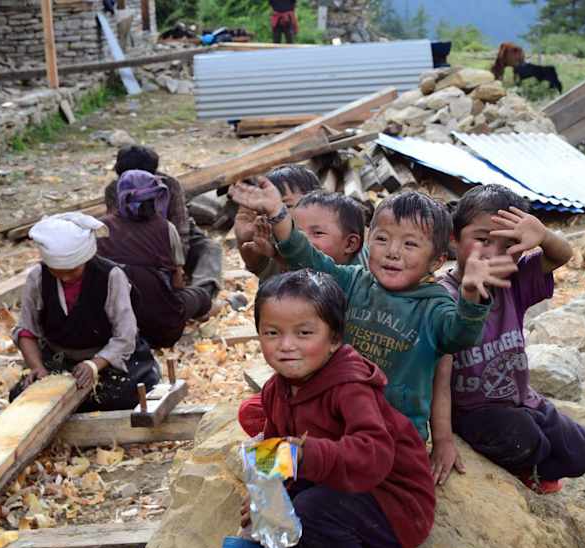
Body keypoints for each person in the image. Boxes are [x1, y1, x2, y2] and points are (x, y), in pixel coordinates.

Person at [230, 178, 517, 443]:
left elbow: (460, 336)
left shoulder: (435, 306)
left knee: (328, 471)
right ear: (369, 243)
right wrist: (280, 214)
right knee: (269, 402)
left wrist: (470, 298)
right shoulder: (352, 281)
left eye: (410, 244)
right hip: (336, 418)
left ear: (436, 261)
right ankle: (280, 476)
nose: (393, 251)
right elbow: (308, 257)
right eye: (382, 239)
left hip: (392, 432)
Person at [224, 270, 434, 548]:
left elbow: (374, 455)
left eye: (304, 333)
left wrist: (308, 456)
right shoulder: (275, 390)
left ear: (335, 338)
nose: (287, 345)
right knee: (277, 501)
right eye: (272, 333)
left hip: (393, 500)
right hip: (338, 483)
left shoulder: (350, 387)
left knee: (310, 509)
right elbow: (276, 444)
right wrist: (262, 491)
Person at [437, 184, 585, 493]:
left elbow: (562, 255)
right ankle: (530, 466)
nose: (491, 252)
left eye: (506, 244)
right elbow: (439, 378)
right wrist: (443, 437)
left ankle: (536, 462)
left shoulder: (514, 281)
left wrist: (544, 234)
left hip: (522, 399)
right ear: (454, 239)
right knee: (524, 438)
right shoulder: (441, 297)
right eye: (481, 240)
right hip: (474, 412)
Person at [9, 213, 160, 411]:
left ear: (85, 259)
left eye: (72, 270)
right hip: (59, 360)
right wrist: (37, 368)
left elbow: (125, 335)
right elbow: (27, 331)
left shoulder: (111, 276)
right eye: (57, 271)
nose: (65, 278)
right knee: (21, 396)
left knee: (125, 394)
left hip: (106, 358)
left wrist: (94, 365)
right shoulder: (38, 277)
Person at [98, 170, 214, 348]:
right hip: (161, 330)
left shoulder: (100, 229)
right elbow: (177, 283)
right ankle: (221, 306)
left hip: (109, 330)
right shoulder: (166, 228)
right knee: (200, 297)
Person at [104, 145, 222, 298]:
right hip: (133, 238)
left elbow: (181, 229)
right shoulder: (113, 190)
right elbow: (116, 230)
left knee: (210, 248)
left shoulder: (170, 185)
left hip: (173, 237)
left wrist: (178, 266)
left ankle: (202, 294)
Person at [237, 190, 367, 281]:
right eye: (298, 233)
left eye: (317, 233)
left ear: (350, 244)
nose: (303, 240)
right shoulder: (297, 270)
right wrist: (274, 254)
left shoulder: (357, 282)